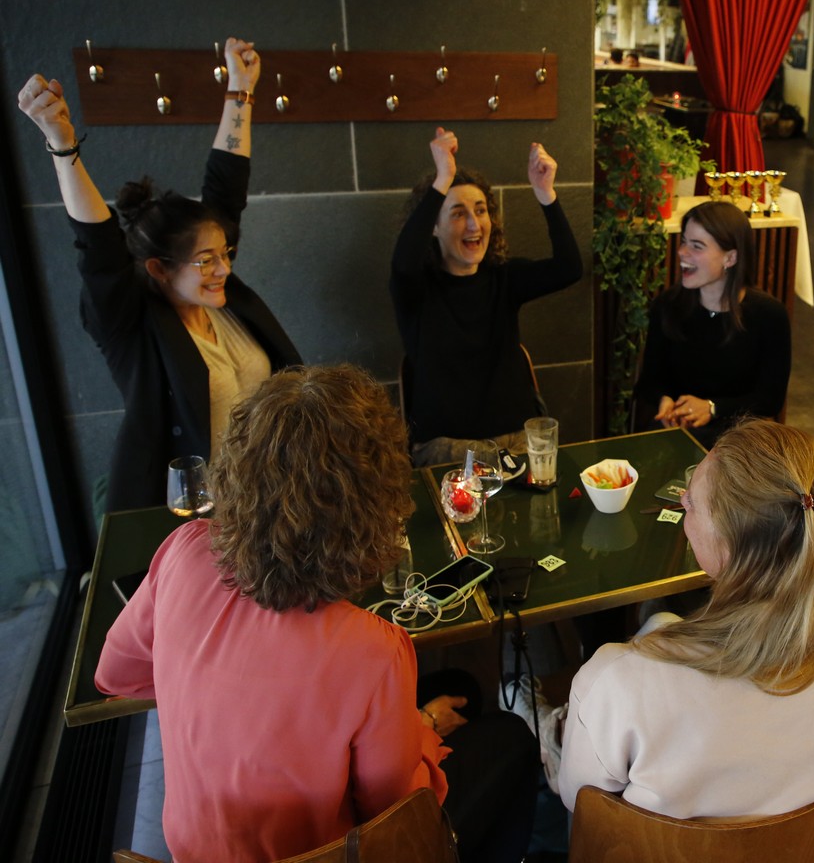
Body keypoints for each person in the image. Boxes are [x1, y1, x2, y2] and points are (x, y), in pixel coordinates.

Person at [94, 365, 537, 863]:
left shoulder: (184, 549)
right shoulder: (373, 649)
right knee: (510, 737)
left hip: (194, 854)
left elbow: (116, 674)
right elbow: (395, 812)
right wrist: (425, 727)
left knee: (460, 685)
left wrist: (219, 698)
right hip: (330, 855)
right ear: (374, 505)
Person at [556, 419, 814, 843]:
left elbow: (580, 801)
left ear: (730, 545)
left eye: (692, 503)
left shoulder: (617, 682)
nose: (681, 501)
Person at [13, 39, 302, 514]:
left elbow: (226, 189)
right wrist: (62, 144)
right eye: (205, 260)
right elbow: (99, 247)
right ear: (158, 269)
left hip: (274, 503)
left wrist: (241, 88)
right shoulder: (132, 329)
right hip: (198, 521)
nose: (224, 268)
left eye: (225, 253)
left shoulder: (222, 298)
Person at [392, 127, 581, 465]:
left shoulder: (504, 278)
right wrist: (443, 178)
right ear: (433, 226)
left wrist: (546, 194)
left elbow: (569, 267)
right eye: (457, 213)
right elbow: (404, 262)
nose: (474, 224)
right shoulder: (417, 289)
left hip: (518, 442)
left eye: (480, 210)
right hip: (446, 450)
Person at [632, 201, 791, 447]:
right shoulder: (668, 305)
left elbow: (770, 399)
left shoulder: (769, 315)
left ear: (730, 258)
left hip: (740, 437)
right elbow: (650, 381)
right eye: (684, 242)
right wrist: (664, 400)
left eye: (697, 246)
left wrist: (712, 407)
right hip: (678, 429)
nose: (682, 252)